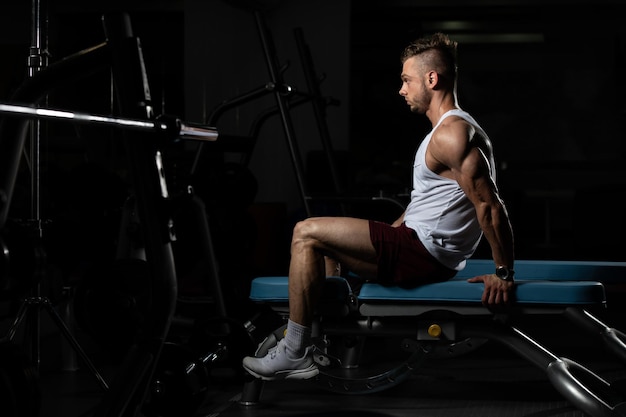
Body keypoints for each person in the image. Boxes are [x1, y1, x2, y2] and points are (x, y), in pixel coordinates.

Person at [242, 32, 515, 381]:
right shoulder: (448, 132)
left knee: (305, 232)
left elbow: (490, 207)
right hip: (422, 248)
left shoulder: (452, 134)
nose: (401, 90)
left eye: (406, 80)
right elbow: (425, 205)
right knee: (327, 248)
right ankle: (320, 344)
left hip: (424, 254)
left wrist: (504, 273)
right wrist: (390, 230)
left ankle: (295, 351)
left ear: (432, 79)